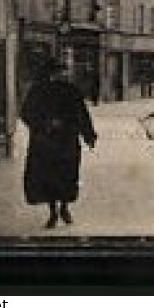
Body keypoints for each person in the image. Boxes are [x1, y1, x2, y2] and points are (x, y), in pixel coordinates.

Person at [21, 57, 97, 229]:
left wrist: (89, 135)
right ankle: (53, 212)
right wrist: (45, 123)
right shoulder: (38, 91)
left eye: (63, 72)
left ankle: (64, 207)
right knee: (48, 177)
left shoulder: (71, 90)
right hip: (45, 141)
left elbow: (82, 114)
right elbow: (26, 113)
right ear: (50, 73)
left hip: (67, 141)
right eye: (57, 72)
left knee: (67, 175)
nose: (61, 75)